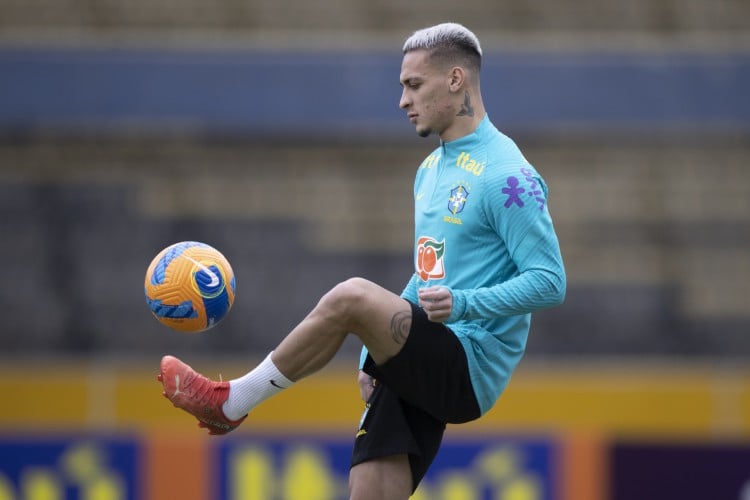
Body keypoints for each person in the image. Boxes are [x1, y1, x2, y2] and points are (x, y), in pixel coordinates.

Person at [158, 22, 565, 499]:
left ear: (456, 80)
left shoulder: (508, 175)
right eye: (402, 87)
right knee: (368, 491)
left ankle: (231, 402)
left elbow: (550, 281)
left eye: (414, 85)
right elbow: (429, 273)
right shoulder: (432, 168)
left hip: (468, 362)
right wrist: (374, 353)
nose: (402, 100)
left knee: (350, 296)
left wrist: (462, 304)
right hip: (428, 345)